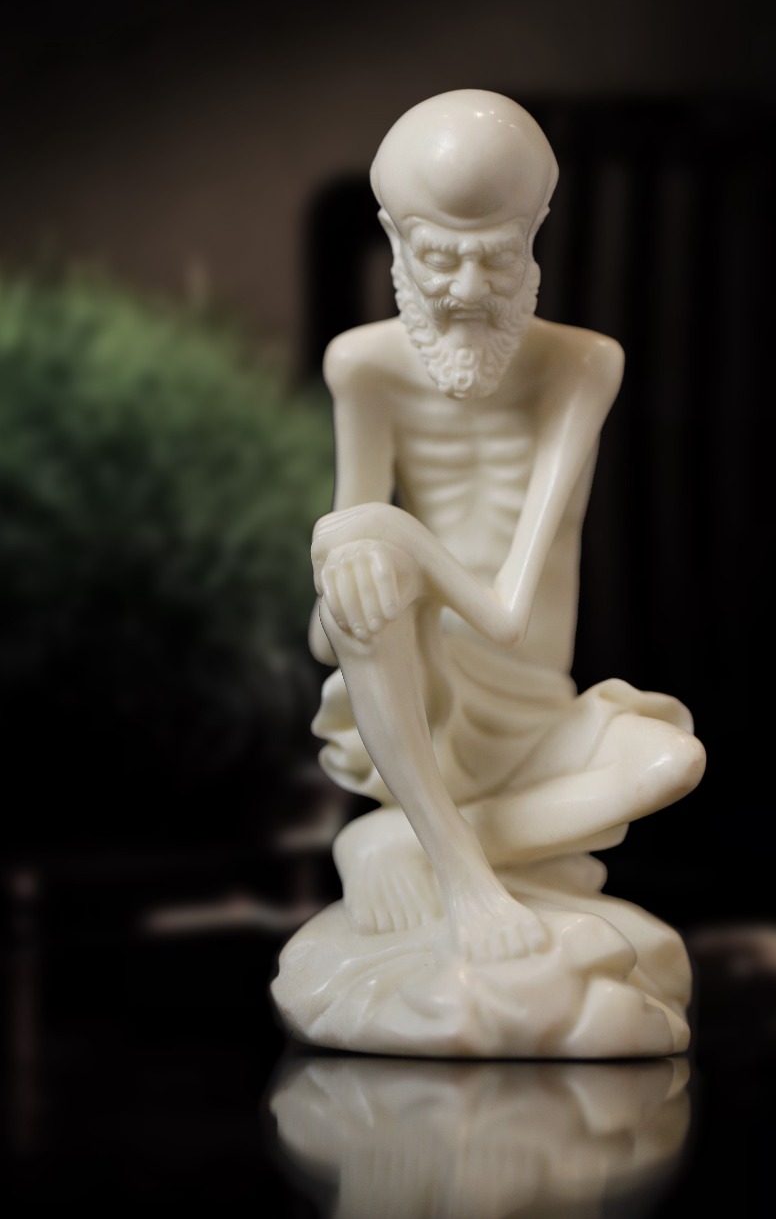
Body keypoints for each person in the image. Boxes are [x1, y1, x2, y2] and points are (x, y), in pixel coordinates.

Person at [309, 90, 705, 966]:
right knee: (369, 560)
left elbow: (506, 614)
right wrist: (356, 553)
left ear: (537, 233)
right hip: (414, 703)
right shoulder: (363, 366)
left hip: (532, 706)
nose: (466, 292)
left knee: (672, 763)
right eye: (437, 258)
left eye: (497, 258)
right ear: (392, 237)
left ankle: (404, 837)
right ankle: (464, 874)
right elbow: (328, 633)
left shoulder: (582, 364)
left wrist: (391, 535)